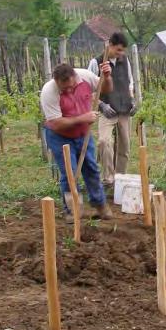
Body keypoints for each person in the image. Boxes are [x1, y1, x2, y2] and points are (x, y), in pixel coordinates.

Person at [40, 62, 113, 222]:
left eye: (71, 87)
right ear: (56, 81)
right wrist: (83, 118)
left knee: (92, 168)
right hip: (59, 136)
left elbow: (106, 89)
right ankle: (73, 210)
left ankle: (100, 205)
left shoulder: (85, 76)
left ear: (75, 78)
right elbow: (56, 123)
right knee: (70, 173)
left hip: (82, 133)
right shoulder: (49, 91)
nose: (68, 90)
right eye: (64, 88)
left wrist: (106, 77)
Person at [87, 32, 137, 189]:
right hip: (107, 109)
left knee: (125, 147)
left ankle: (120, 179)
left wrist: (132, 99)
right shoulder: (96, 62)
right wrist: (101, 105)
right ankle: (108, 178)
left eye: (123, 50)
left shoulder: (125, 61)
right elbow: (89, 89)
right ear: (110, 45)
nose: (120, 53)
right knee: (104, 142)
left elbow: (129, 83)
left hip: (124, 110)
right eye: (118, 50)